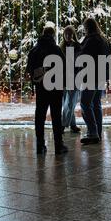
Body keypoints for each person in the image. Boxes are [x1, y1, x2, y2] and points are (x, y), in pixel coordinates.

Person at [27, 26, 68, 155]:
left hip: (41, 87)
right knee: (56, 116)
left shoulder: (34, 50)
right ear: (53, 36)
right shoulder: (56, 50)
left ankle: (40, 145)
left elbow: (30, 69)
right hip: (56, 87)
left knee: (40, 115)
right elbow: (64, 68)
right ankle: (58, 145)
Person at [79, 18, 111, 145]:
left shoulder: (91, 40)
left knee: (85, 103)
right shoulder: (104, 40)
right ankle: (97, 132)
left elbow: (82, 55)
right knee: (96, 104)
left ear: (87, 28)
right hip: (101, 76)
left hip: (91, 76)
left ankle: (93, 133)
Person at [60, 26, 81, 134]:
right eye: (66, 34)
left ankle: (63, 125)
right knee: (67, 103)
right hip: (64, 78)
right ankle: (72, 124)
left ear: (73, 34)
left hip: (74, 77)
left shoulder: (77, 46)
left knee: (70, 102)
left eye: (70, 33)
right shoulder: (61, 46)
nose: (68, 36)